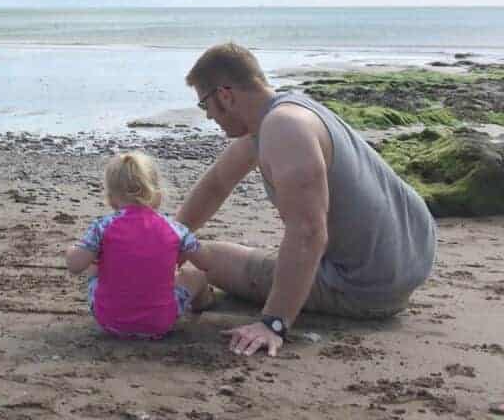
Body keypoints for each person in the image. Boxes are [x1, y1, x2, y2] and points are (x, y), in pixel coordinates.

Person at [176, 43, 437, 357]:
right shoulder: (284, 113)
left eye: (205, 106)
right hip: (411, 255)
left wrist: (273, 323)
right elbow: (217, 184)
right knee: (185, 245)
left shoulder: (284, 129)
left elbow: (309, 233)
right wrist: (166, 238)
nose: (208, 117)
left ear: (225, 96)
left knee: (200, 259)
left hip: (366, 285)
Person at [65, 151, 213, 338]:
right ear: (157, 196)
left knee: (95, 265)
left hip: (109, 320)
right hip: (160, 322)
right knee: (195, 275)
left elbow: (75, 265)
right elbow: (207, 263)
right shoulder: (175, 229)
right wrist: (186, 249)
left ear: (111, 199)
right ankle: (203, 303)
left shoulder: (102, 227)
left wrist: (73, 250)